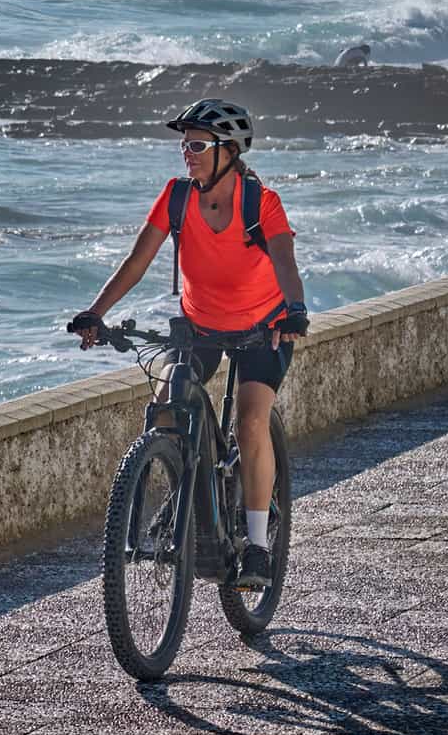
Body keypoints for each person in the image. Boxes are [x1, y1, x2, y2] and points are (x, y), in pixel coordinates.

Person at [67, 98, 309, 588]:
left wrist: (295, 309)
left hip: (265, 326)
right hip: (201, 325)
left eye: (197, 144)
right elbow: (137, 262)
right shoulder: (176, 197)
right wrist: (97, 312)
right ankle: (190, 505)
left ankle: (259, 547)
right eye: (184, 144)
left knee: (251, 419)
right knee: (164, 407)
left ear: (228, 150)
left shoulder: (260, 202)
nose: (187, 152)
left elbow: (284, 259)